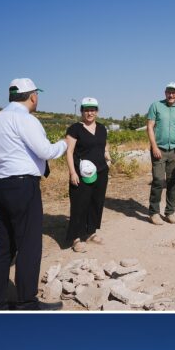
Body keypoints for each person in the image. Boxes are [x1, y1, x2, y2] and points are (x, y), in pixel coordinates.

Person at [0, 79, 67, 310]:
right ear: (32, 96)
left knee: (4, 245)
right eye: (36, 96)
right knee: (29, 245)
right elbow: (45, 151)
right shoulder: (26, 120)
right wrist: (64, 144)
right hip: (22, 186)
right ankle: (27, 302)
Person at [61, 99, 110, 253]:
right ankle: (76, 238)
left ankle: (91, 232)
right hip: (81, 174)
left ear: (97, 111)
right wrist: (72, 172)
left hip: (101, 172)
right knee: (79, 205)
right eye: (86, 110)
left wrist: (108, 157)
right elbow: (69, 151)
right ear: (81, 111)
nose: (90, 113)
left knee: (96, 203)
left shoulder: (102, 128)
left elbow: (104, 145)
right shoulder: (75, 129)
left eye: (93, 109)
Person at [144, 82, 175, 225]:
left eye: (174, 92)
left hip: (174, 151)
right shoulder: (156, 106)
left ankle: (170, 212)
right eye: (169, 92)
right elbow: (150, 127)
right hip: (159, 150)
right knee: (157, 180)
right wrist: (154, 147)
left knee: (172, 182)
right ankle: (154, 213)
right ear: (165, 93)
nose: (171, 95)